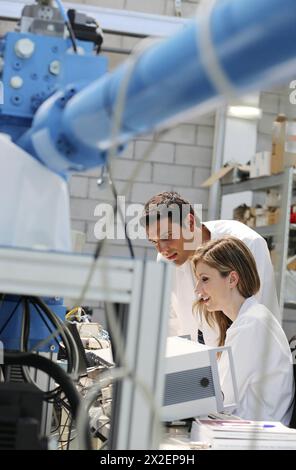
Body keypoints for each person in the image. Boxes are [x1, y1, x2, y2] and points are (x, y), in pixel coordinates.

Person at [142, 191, 280, 346]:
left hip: (247, 358)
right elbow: (170, 325)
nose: (161, 249)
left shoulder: (247, 244)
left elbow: (260, 320)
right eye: (154, 242)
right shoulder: (166, 260)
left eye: (167, 236)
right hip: (197, 362)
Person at [192, 236, 294, 423]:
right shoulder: (253, 318)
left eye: (204, 279)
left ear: (232, 279)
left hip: (254, 437)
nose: (197, 289)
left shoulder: (251, 325)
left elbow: (220, 398)